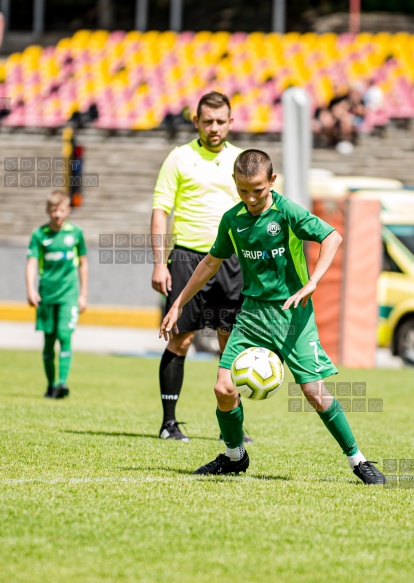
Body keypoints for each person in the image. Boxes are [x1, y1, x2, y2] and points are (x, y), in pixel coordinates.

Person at [159, 149, 386, 485]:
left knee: (313, 391)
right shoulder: (233, 219)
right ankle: (235, 456)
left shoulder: (287, 211)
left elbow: (332, 236)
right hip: (252, 316)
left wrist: (313, 282)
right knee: (223, 388)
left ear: (272, 182)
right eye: (243, 190)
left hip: (293, 314)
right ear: (234, 184)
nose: (251, 198)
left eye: (258, 190)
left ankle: (358, 461)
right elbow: (210, 263)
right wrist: (178, 303)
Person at [151, 91, 248, 442]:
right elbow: (160, 211)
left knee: (230, 342)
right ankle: (168, 424)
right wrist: (160, 263)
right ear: (196, 122)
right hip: (188, 258)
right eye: (207, 121)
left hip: (230, 261)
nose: (214, 127)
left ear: (231, 122)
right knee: (181, 338)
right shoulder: (178, 158)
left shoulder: (241, 160)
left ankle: (232, 428)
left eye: (221, 121)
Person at [26, 189, 88, 399]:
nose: (58, 215)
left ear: (68, 210)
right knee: (49, 340)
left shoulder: (75, 234)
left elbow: (83, 263)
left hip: (68, 294)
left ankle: (62, 383)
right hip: (46, 294)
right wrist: (31, 289)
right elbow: (32, 262)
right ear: (48, 211)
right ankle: (51, 386)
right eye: (54, 210)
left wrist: (83, 294)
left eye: (61, 210)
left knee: (65, 334)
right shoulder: (39, 235)